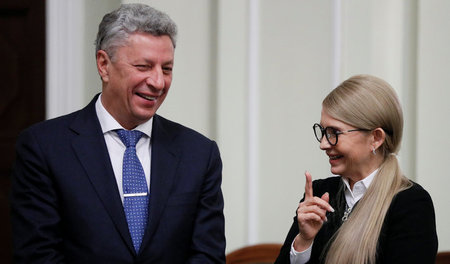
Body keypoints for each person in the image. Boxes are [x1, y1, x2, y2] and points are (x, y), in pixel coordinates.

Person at [10, 3, 225, 263]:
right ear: (104, 65)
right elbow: (38, 255)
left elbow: (207, 256)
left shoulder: (199, 154)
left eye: (166, 69)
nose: (158, 82)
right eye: (144, 67)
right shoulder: (44, 148)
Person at [275, 74, 438, 264]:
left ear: (376, 138)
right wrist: (304, 241)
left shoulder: (410, 204)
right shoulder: (319, 194)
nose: (323, 144)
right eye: (323, 132)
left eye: (334, 133)